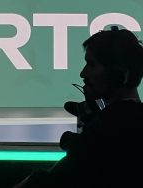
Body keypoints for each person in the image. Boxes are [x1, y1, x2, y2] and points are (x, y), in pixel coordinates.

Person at [13, 27, 143, 188]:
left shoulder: (104, 133)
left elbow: (50, 181)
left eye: (91, 64)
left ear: (117, 73)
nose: (83, 73)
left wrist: (84, 140)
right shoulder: (123, 122)